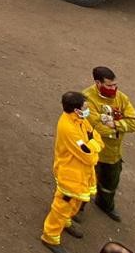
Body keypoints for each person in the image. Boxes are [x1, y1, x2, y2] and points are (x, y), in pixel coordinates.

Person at [40, 91, 103, 253]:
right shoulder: (68, 128)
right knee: (62, 206)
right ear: (76, 109)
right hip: (70, 174)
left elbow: (95, 137)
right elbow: (88, 155)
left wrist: (93, 144)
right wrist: (95, 146)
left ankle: (65, 221)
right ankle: (50, 237)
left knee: (74, 203)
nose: (87, 109)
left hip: (81, 173)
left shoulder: (80, 120)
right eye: (85, 107)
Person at [83, 67, 135, 222]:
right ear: (97, 83)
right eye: (109, 85)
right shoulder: (86, 100)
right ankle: (76, 209)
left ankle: (105, 205)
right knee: (83, 185)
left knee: (110, 184)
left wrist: (115, 125)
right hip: (92, 153)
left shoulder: (121, 98)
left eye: (115, 84)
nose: (114, 88)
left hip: (113, 155)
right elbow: (97, 127)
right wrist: (120, 126)